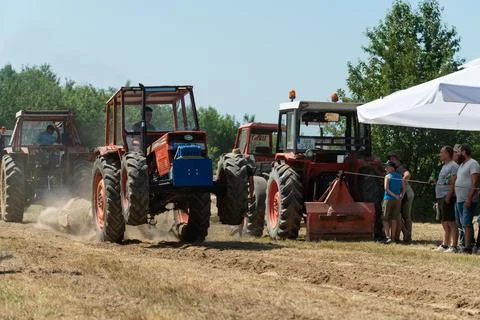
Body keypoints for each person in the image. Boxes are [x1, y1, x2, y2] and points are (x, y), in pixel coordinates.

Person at [453, 144, 480, 254]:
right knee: (461, 223)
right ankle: (468, 244)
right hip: (459, 199)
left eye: (458, 152)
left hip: (468, 199)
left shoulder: (473, 164)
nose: (457, 154)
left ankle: (468, 248)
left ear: (464, 152)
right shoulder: (461, 165)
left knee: (466, 223)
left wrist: (469, 198)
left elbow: (475, 182)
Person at [434, 146, 459, 253]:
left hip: (447, 196)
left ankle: (453, 246)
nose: (440, 154)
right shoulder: (444, 165)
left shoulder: (453, 166)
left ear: (448, 154)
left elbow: (454, 182)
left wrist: (449, 195)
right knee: (444, 221)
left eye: (442, 153)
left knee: (451, 222)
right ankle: (445, 245)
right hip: (440, 196)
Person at [388, 152, 414, 243]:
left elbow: (407, 175)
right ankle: (405, 234)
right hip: (399, 195)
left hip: (406, 194)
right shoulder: (393, 169)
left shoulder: (401, 168)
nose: (391, 160)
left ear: (398, 160)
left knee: (406, 216)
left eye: (393, 158)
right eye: (390, 159)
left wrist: (401, 184)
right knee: (397, 215)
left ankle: (408, 236)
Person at [382, 160, 404, 244]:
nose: (385, 168)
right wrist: (401, 195)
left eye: (387, 167)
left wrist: (394, 196)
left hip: (388, 199)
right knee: (394, 219)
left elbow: (386, 189)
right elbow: (403, 187)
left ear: (391, 168)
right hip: (397, 200)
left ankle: (388, 237)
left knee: (385, 219)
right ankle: (393, 238)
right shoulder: (399, 176)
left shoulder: (387, 176)